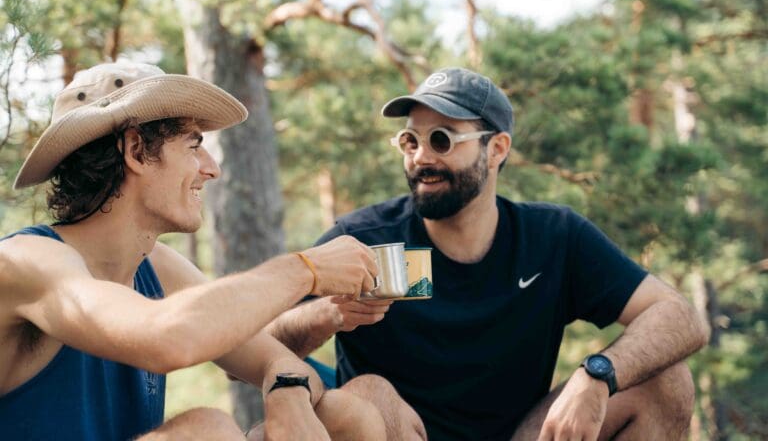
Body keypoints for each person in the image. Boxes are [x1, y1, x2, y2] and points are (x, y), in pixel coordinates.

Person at [266, 67, 710, 440]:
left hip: (521, 434)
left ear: (496, 149)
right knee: (367, 392)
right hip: (402, 430)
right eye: (409, 141)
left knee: (664, 380)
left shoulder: (553, 236)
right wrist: (325, 314)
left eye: (441, 140)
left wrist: (597, 373)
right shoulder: (360, 237)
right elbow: (255, 346)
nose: (421, 157)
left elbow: (681, 316)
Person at [0, 61, 423, 441]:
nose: (212, 168)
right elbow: (167, 338)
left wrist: (287, 392)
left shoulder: (155, 265)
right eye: (192, 145)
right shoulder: (29, 262)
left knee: (355, 408)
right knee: (208, 431)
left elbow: (275, 359)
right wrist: (306, 269)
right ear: (135, 151)